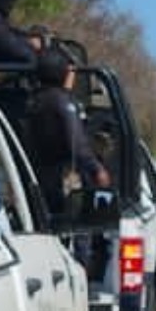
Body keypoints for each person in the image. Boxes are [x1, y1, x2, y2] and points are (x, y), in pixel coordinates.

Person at [25, 46, 112, 220]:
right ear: (61, 72)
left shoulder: (33, 100)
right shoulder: (63, 102)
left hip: (36, 174)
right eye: (70, 70)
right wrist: (97, 169)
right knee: (78, 229)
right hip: (61, 177)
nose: (73, 75)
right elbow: (77, 142)